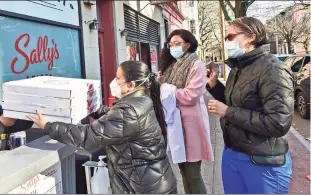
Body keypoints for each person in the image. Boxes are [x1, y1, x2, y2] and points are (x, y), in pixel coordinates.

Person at [28, 60, 177, 194]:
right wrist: (95, 109)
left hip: (144, 186)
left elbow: (89, 136)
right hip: (153, 181)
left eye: (118, 78)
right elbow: (116, 121)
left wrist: (49, 126)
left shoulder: (129, 110)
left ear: (131, 85)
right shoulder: (141, 101)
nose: (114, 82)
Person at [206, 17, 294, 194]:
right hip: (234, 153)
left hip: (263, 162)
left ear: (251, 37)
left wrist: (228, 112)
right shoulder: (238, 67)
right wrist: (215, 86)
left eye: (231, 37)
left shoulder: (272, 69)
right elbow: (238, 102)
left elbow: (278, 123)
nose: (227, 42)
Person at [158, 29, 214, 194]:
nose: (173, 47)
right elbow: (162, 88)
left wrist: (168, 91)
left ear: (188, 45)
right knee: (183, 172)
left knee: (193, 174)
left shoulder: (197, 65)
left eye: (177, 43)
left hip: (191, 125)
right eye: (171, 44)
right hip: (174, 123)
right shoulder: (171, 66)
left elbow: (192, 96)